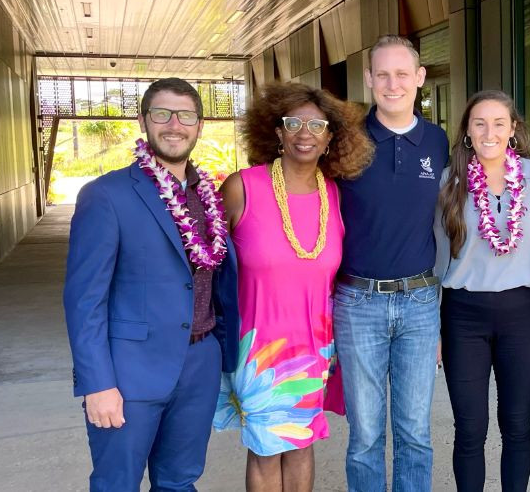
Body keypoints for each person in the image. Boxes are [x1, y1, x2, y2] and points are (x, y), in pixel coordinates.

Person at [63, 77, 240, 491]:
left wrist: (223, 355)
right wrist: (97, 384)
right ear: (144, 121)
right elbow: (84, 300)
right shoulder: (106, 195)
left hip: (199, 364)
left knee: (180, 481)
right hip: (128, 372)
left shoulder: (208, 195)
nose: (174, 125)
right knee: (116, 483)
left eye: (185, 115)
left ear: (199, 125)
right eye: (162, 114)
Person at [212, 82, 373, 492]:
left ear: (330, 137)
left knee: (301, 444)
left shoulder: (336, 194)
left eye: (316, 124)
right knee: (267, 448)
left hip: (316, 346)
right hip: (259, 346)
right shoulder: (241, 187)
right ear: (277, 132)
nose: (305, 132)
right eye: (293, 122)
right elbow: (206, 265)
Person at [333, 34, 449, 492]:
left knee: (415, 433)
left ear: (420, 78)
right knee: (364, 435)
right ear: (368, 79)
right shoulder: (346, 142)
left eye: (403, 73)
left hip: (420, 302)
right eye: (382, 74)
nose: (392, 83)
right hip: (357, 301)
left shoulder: (438, 142)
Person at [434, 90, 530, 492]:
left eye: (499, 123)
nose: (489, 132)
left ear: (513, 129)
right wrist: (434, 328)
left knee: (516, 423)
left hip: (522, 313)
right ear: (467, 131)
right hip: (463, 314)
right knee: (470, 427)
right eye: (479, 123)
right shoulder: (449, 181)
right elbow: (434, 259)